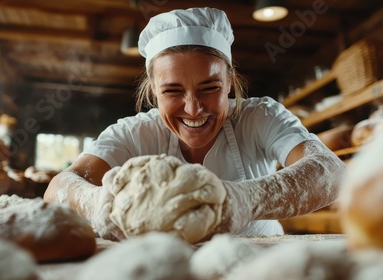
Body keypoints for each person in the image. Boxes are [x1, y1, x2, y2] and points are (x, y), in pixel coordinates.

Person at [43, 7, 346, 240]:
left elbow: (331, 173)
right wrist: (97, 205)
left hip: (261, 266)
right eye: (172, 91)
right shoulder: (134, 133)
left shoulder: (259, 117)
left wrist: (242, 200)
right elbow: (60, 186)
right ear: (153, 92)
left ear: (229, 82)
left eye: (210, 87)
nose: (193, 108)